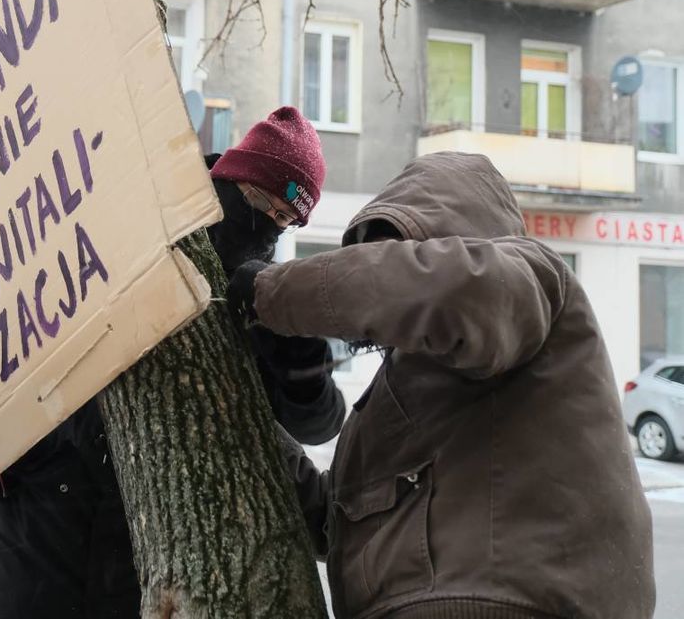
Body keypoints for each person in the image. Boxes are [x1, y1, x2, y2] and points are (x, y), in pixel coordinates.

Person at [0, 106, 345, 619]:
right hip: (28, 564)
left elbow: (313, 424)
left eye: (285, 220)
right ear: (227, 178)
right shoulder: (126, 235)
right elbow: (31, 356)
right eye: (259, 202)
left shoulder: (256, 304)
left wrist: (303, 368)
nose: (268, 228)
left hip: (125, 580)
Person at [228, 151, 655, 619]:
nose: (379, 275)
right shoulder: (401, 394)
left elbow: (454, 288)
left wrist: (273, 294)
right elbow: (338, 521)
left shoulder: (530, 272)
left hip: (506, 601)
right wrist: (238, 416)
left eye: (396, 251)